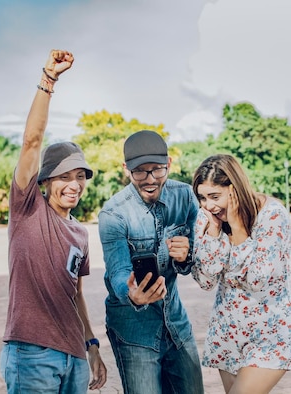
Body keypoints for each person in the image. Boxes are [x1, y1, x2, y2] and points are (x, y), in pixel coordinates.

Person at [0, 49, 107, 393]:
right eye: (63, 177)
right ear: (45, 181)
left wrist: (91, 347)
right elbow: (31, 142)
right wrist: (49, 80)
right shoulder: (27, 208)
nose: (73, 185)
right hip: (31, 355)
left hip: (73, 358)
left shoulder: (80, 233)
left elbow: (75, 295)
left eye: (80, 176)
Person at [98, 130, 204, 394]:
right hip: (134, 329)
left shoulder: (185, 196)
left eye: (157, 170)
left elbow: (197, 255)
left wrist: (186, 254)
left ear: (168, 164)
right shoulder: (113, 214)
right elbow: (118, 272)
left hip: (175, 322)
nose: (150, 179)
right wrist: (132, 294)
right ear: (126, 169)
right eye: (140, 172)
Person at [191, 154, 291, 394]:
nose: (208, 205)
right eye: (202, 197)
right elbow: (206, 280)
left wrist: (239, 230)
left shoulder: (272, 215)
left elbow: (257, 279)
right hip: (228, 332)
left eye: (214, 196)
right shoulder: (208, 217)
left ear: (234, 189)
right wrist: (214, 232)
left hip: (271, 333)